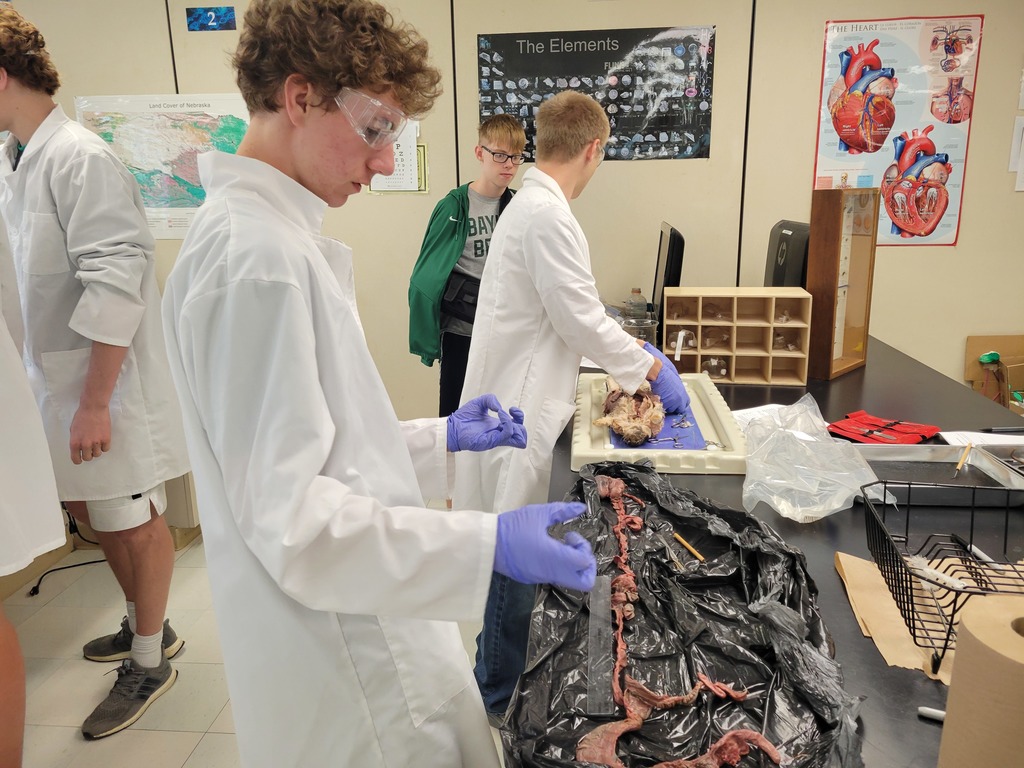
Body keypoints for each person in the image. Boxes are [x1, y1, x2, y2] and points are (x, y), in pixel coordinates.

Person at [160, 2, 596, 766]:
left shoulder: (273, 241)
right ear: (298, 99)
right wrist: (490, 543)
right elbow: (298, 523)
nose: (387, 161)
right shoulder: (255, 263)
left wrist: (441, 440)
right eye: (375, 129)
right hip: (354, 671)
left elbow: (326, 451)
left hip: (365, 627)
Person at [454, 90, 691, 719]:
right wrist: (650, 366)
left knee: (511, 548)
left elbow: (570, 309)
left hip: (517, 400)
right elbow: (579, 318)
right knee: (511, 554)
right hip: (519, 412)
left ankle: (495, 678)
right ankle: (496, 699)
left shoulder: (530, 207)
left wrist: (627, 346)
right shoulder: (546, 215)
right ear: (594, 149)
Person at [0, 5, 190, 740]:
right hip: (56, 379)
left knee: (129, 519)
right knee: (91, 513)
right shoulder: (19, 155)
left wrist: (95, 403)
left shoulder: (80, 156)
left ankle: (150, 659)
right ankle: (151, 626)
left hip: (97, 385)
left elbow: (116, 281)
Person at [409, 114, 527, 416]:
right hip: (461, 332)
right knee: (453, 418)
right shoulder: (454, 205)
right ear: (480, 153)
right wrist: (426, 335)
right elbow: (427, 274)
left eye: (516, 157)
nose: (509, 165)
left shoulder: (518, 205)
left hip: (502, 334)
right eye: (499, 155)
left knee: (501, 417)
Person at [0, 231, 65, 768]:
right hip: (43, 376)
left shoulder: (83, 159)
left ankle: (147, 648)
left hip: (76, 380)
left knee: (125, 515)